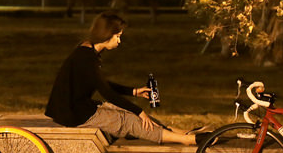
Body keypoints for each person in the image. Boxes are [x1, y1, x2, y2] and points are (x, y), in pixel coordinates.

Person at [45, 12, 208, 145]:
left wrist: (134, 92)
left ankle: (182, 133)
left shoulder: (88, 50)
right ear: (106, 35)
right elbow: (107, 93)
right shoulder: (86, 57)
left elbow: (100, 83)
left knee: (127, 113)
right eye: (117, 36)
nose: (119, 41)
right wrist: (139, 111)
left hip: (78, 108)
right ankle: (188, 140)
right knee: (127, 120)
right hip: (73, 114)